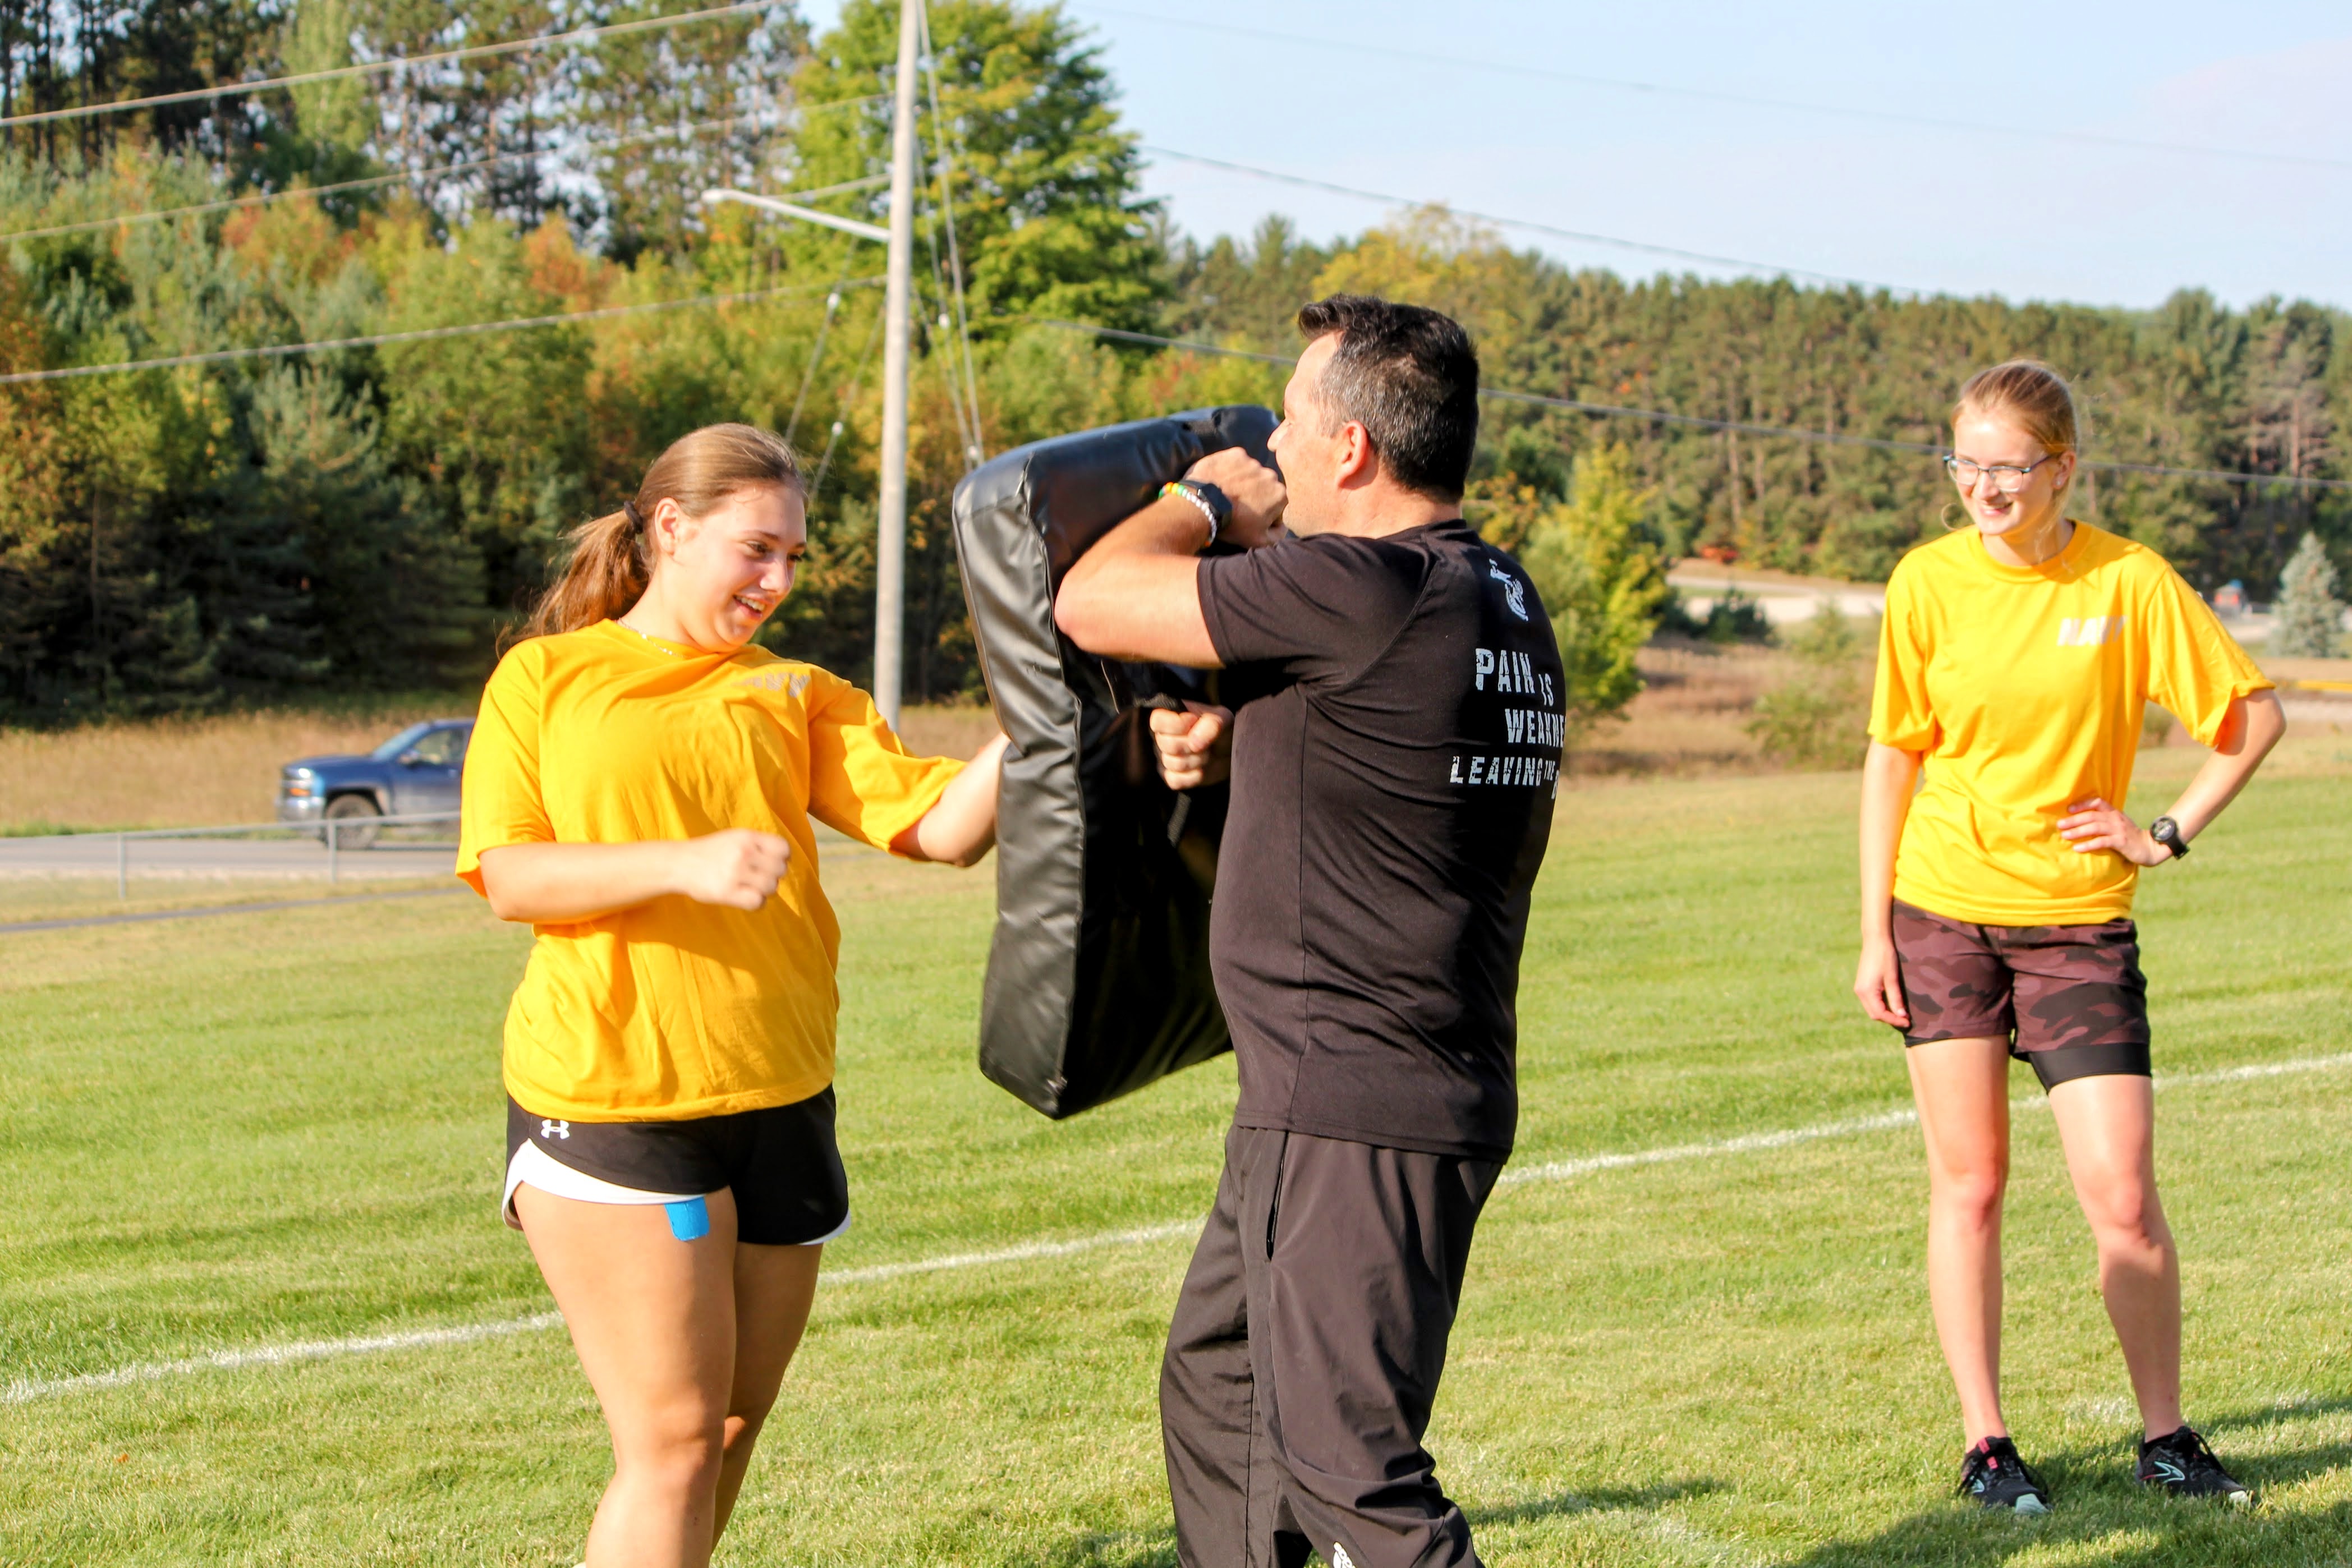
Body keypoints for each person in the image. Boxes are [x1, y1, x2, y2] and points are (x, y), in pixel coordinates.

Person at [1054, 295, 1564, 1568]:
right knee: (1219, 1391)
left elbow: (1092, 601)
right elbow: (1390, 771)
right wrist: (1234, 748)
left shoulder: (1359, 581)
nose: (1273, 446)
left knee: (1351, 1472)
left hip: (1353, 1096)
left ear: (1348, 450)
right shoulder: (1491, 593)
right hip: (1358, 1086)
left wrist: (1208, 503)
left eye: (1286, 423)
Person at [457, 424, 1007, 1568]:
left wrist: (1048, 706)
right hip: (612, 1100)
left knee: (723, 1430)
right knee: (667, 1441)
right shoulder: (547, 678)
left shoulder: (797, 693)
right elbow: (508, 875)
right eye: (756, 550)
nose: (776, 582)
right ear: (671, 529)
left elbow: (942, 827)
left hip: (782, 1095)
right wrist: (684, 861)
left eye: (794, 560)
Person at [1854, 361, 2285, 1514]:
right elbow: (1893, 754)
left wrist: (2161, 833)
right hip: (1939, 912)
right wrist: (1870, 933)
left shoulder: (2129, 581)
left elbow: (2250, 721)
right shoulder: (1924, 583)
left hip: (2077, 926)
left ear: (2061, 468)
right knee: (1971, 1186)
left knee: (2122, 1197)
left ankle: (2164, 1441)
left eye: (2006, 467)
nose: (1982, 489)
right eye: (1964, 465)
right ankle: (1986, 1445)